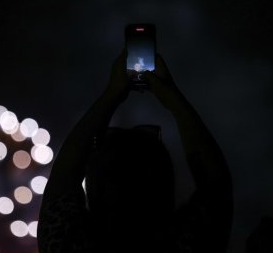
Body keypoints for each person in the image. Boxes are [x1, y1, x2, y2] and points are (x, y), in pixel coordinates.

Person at [37, 49, 233, 252]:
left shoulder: (68, 245)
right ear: (165, 185)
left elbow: (64, 176)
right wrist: (171, 96)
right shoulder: (192, 243)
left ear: (95, 187)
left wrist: (111, 93)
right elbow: (216, 186)